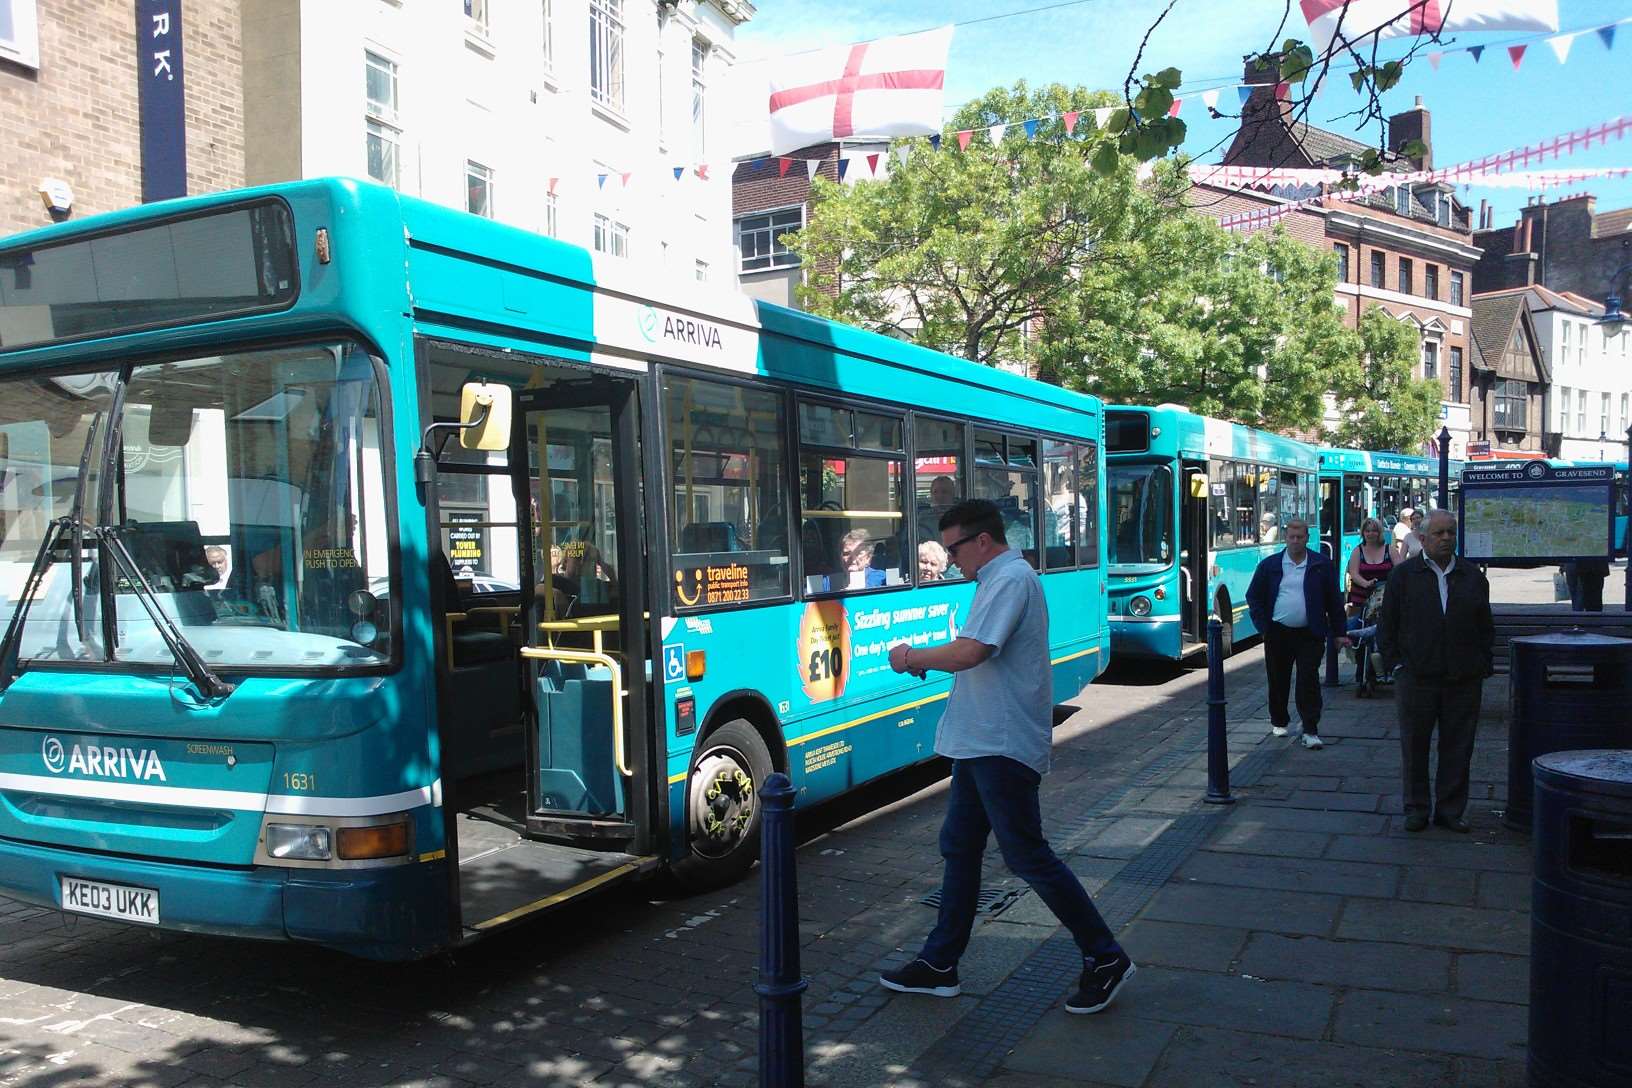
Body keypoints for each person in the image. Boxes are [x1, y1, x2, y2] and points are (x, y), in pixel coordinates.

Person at [880, 499, 1135, 1015]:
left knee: (1027, 856)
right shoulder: (996, 580)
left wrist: (911, 658)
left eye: (954, 547)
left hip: (1001, 744)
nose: (950, 558)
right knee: (959, 846)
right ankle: (939, 964)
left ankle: (1106, 956)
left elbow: (972, 652)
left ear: (981, 541)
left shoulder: (1009, 579)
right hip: (979, 743)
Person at [1376, 509, 1494, 834]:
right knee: (1415, 746)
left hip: (1463, 677)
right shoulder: (1403, 576)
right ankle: (1416, 809)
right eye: (1439, 534)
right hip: (1416, 677)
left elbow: (1485, 626)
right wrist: (1396, 664)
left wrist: (1482, 665)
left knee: (1458, 747)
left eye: (1451, 533)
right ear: (1422, 538)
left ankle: (1450, 810)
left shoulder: (1472, 577)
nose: (1446, 539)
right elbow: (1387, 626)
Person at [1245, 518, 1346, 749]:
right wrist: (1264, 627)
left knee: (1308, 679)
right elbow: (1254, 596)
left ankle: (1310, 729)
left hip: (1310, 633)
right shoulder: (1271, 565)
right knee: (1278, 679)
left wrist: (1340, 632)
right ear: (1286, 537)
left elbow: (1334, 600)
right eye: (1291, 537)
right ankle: (1279, 720)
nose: (1295, 541)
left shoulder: (1320, 564)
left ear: (1307, 538)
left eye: (1300, 537)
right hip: (1278, 632)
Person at [1345, 517, 1393, 617]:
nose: (1370, 534)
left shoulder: (1390, 550)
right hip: (1361, 600)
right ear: (1363, 533)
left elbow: (1401, 570)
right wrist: (1366, 583)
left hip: (1386, 598)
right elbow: (1354, 573)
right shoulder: (1357, 551)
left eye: (1374, 531)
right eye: (1367, 531)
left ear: (1379, 533)